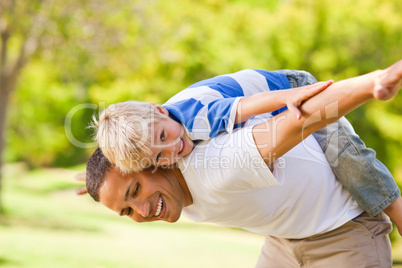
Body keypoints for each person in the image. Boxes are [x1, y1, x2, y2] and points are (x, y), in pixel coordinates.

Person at [85, 60, 402, 267]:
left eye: (135, 191)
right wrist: (98, 185)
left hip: (291, 91)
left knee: (354, 161)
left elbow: (288, 118)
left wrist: (373, 83)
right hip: (286, 239)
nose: (142, 210)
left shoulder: (205, 140)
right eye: (127, 210)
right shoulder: (157, 144)